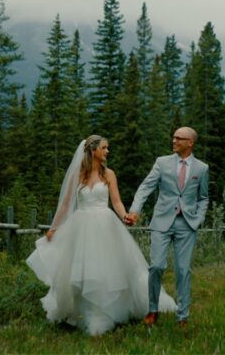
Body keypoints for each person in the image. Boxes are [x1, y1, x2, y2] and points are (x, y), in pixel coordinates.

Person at [25, 135, 175, 336]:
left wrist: (124, 216)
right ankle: (83, 311)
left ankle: (106, 311)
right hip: (81, 226)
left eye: (107, 148)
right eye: (104, 148)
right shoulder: (78, 175)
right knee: (81, 270)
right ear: (92, 150)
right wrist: (54, 228)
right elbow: (64, 204)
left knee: (108, 268)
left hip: (106, 223)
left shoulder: (109, 174)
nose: (107, 151)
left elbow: (116, 201)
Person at [124, 126, 209, 328]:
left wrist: (198, 219)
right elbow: (145, 187)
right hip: (161, 221)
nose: (174, 141)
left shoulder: (201, 168)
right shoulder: (161, 163)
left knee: (183, 269)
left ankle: (183, 316)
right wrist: (135, 210)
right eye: (173, 137)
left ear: (190, 143)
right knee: (156, 266)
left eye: (179, 138)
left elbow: (203, 198)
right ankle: (153, 309)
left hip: (187, 224)